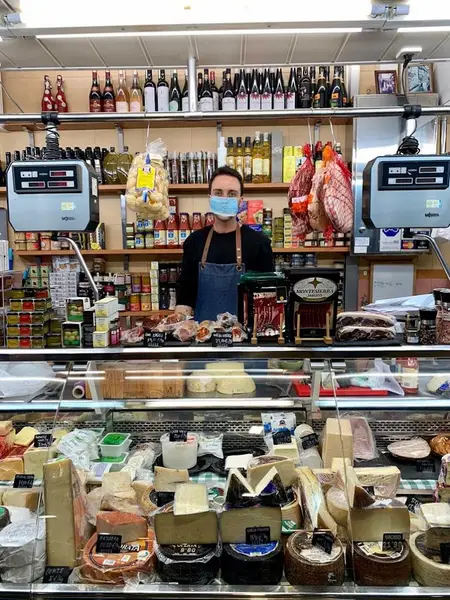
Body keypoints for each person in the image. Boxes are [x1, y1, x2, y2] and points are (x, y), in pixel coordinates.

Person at [175, 165, 273, 321]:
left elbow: (266, 302)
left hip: (244, 341)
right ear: (210, 198)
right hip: (203, 338)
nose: (225, 198)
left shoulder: (259, 244)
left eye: (232, 194)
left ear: (240, 201)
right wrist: (179, 329)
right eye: (219, 193)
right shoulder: (194, 243)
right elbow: (185, 299)